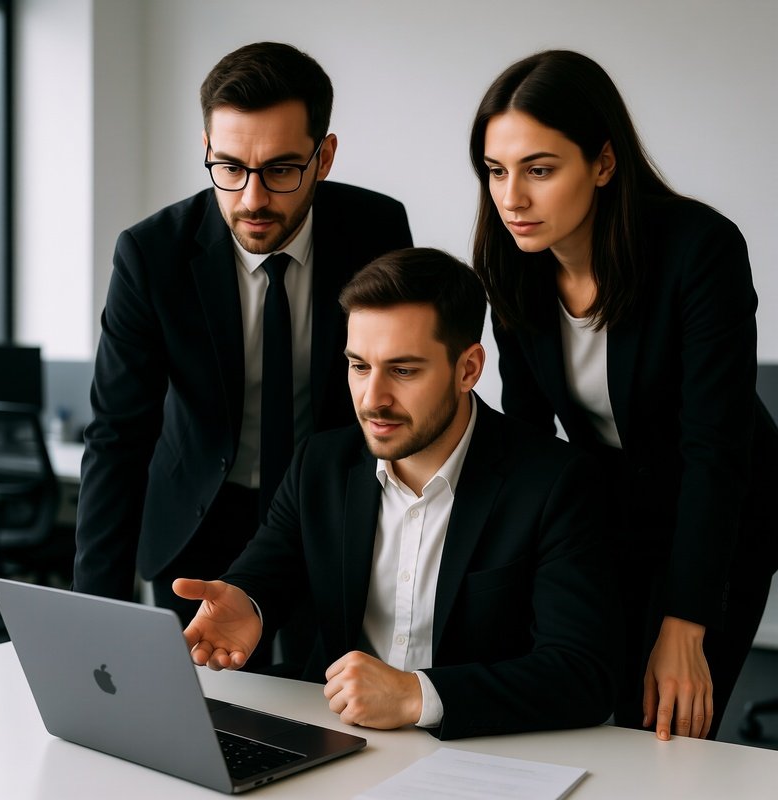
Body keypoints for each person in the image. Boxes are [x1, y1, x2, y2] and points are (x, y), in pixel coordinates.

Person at [173, 247, 618, 740]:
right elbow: (269, 569)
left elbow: (582, 674)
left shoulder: (555, 481)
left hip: (484, 757)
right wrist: (248, 602)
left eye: (403, 371)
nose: (372, 399)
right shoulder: (319, 464)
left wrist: (416, 695)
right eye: (359, 366)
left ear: (468, 369)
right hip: (337, 740)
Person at [469, 49, 778, 741]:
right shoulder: (512, 266)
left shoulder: (700, 251)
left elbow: (714, 453)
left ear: (603, 163)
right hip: (611, 504)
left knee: (663, 719)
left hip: (724, 511)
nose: (512, 197)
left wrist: (685, 620)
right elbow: (526, 438)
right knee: (577, 698)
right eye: (496, 170)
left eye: (539, 170)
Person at [72, 41, 413, 663]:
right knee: (202, 713)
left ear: (324, 156)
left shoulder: (376, 231)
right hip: (200, 518)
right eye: (229, 167)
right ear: (206, 147)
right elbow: (118, 435)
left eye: (281, 169)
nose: (253, 198)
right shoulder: (152, 256)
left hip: (330, 509)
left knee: (331, 707)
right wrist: (91, 614)